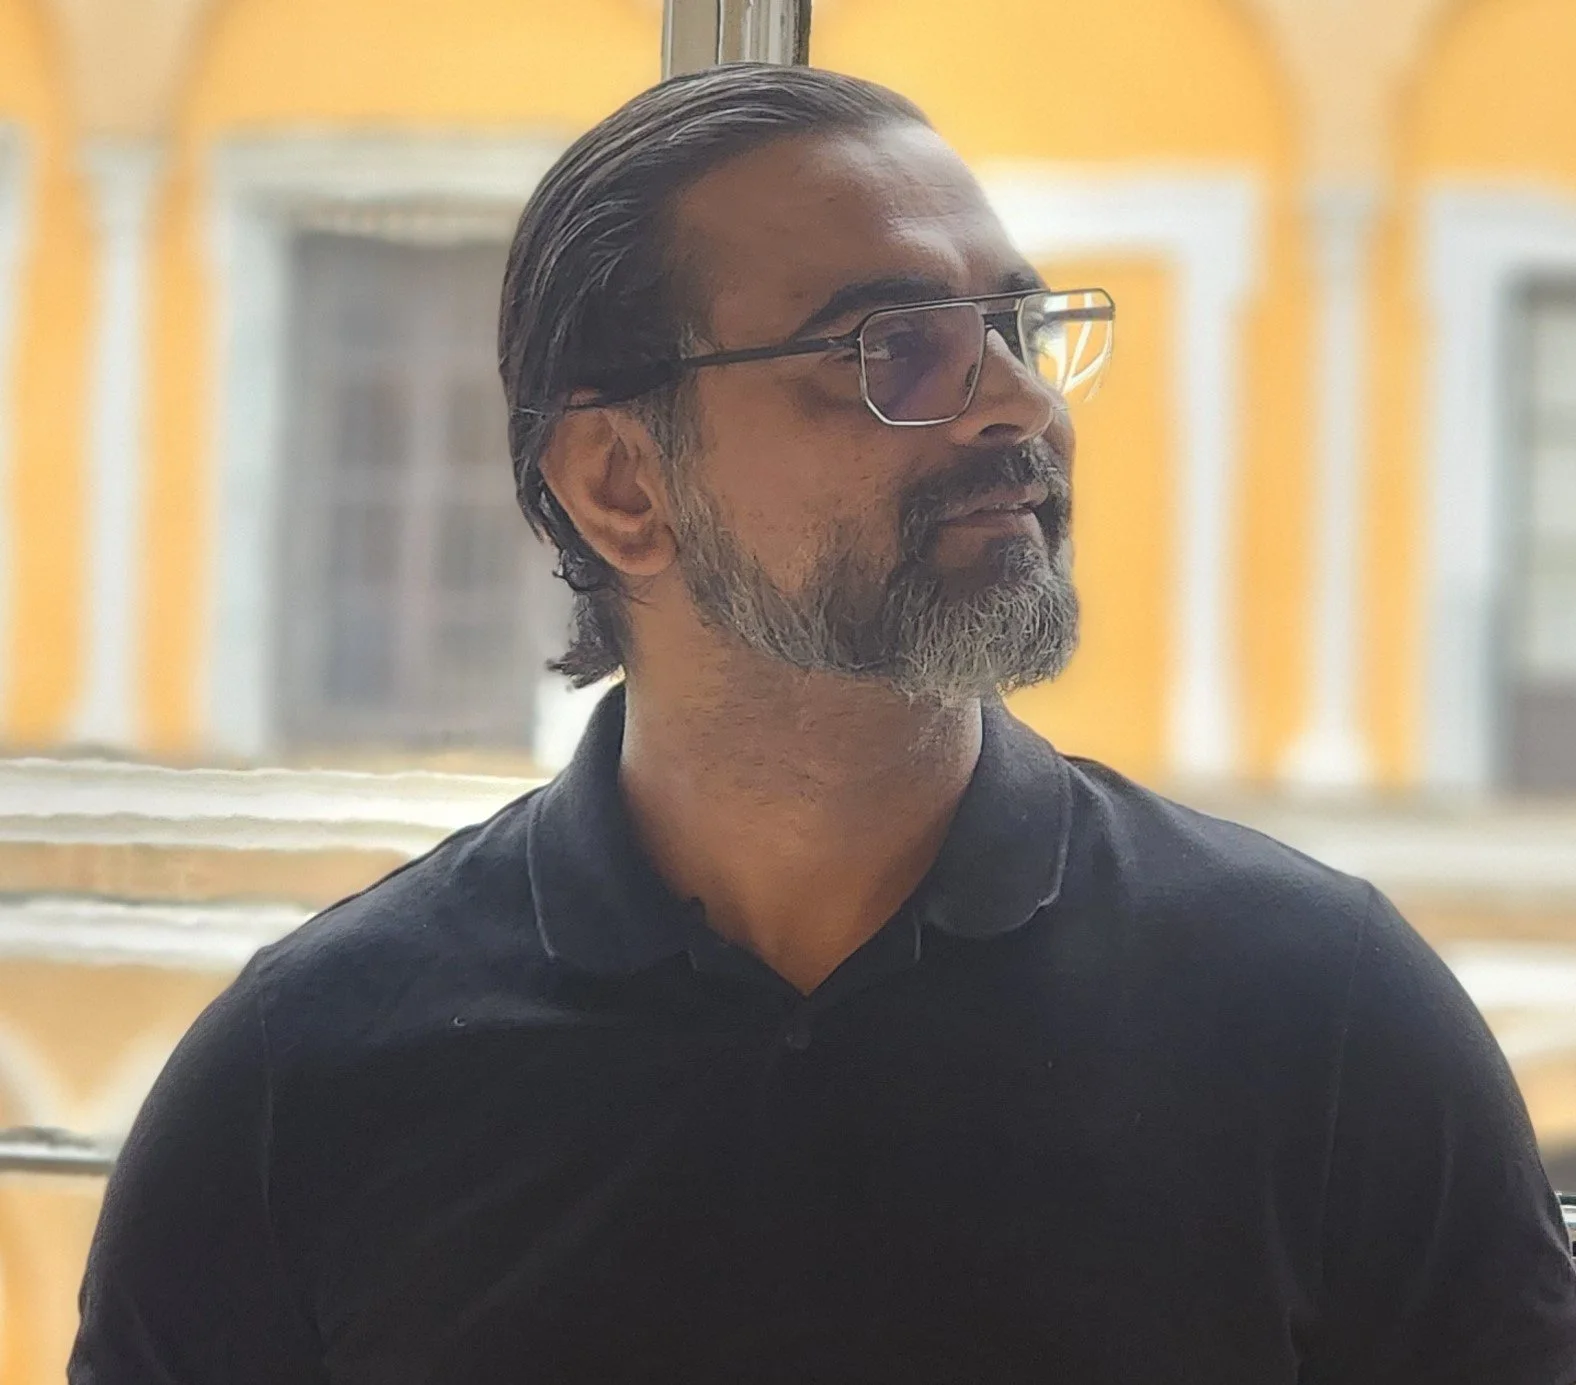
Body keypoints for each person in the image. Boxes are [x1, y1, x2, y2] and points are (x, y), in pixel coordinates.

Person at [71, 64, 1576, 1385]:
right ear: (620, 486)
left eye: (1016, 327)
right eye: (891, 348)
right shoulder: (306, 1077)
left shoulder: (1327, 1017)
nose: (1020, 409)